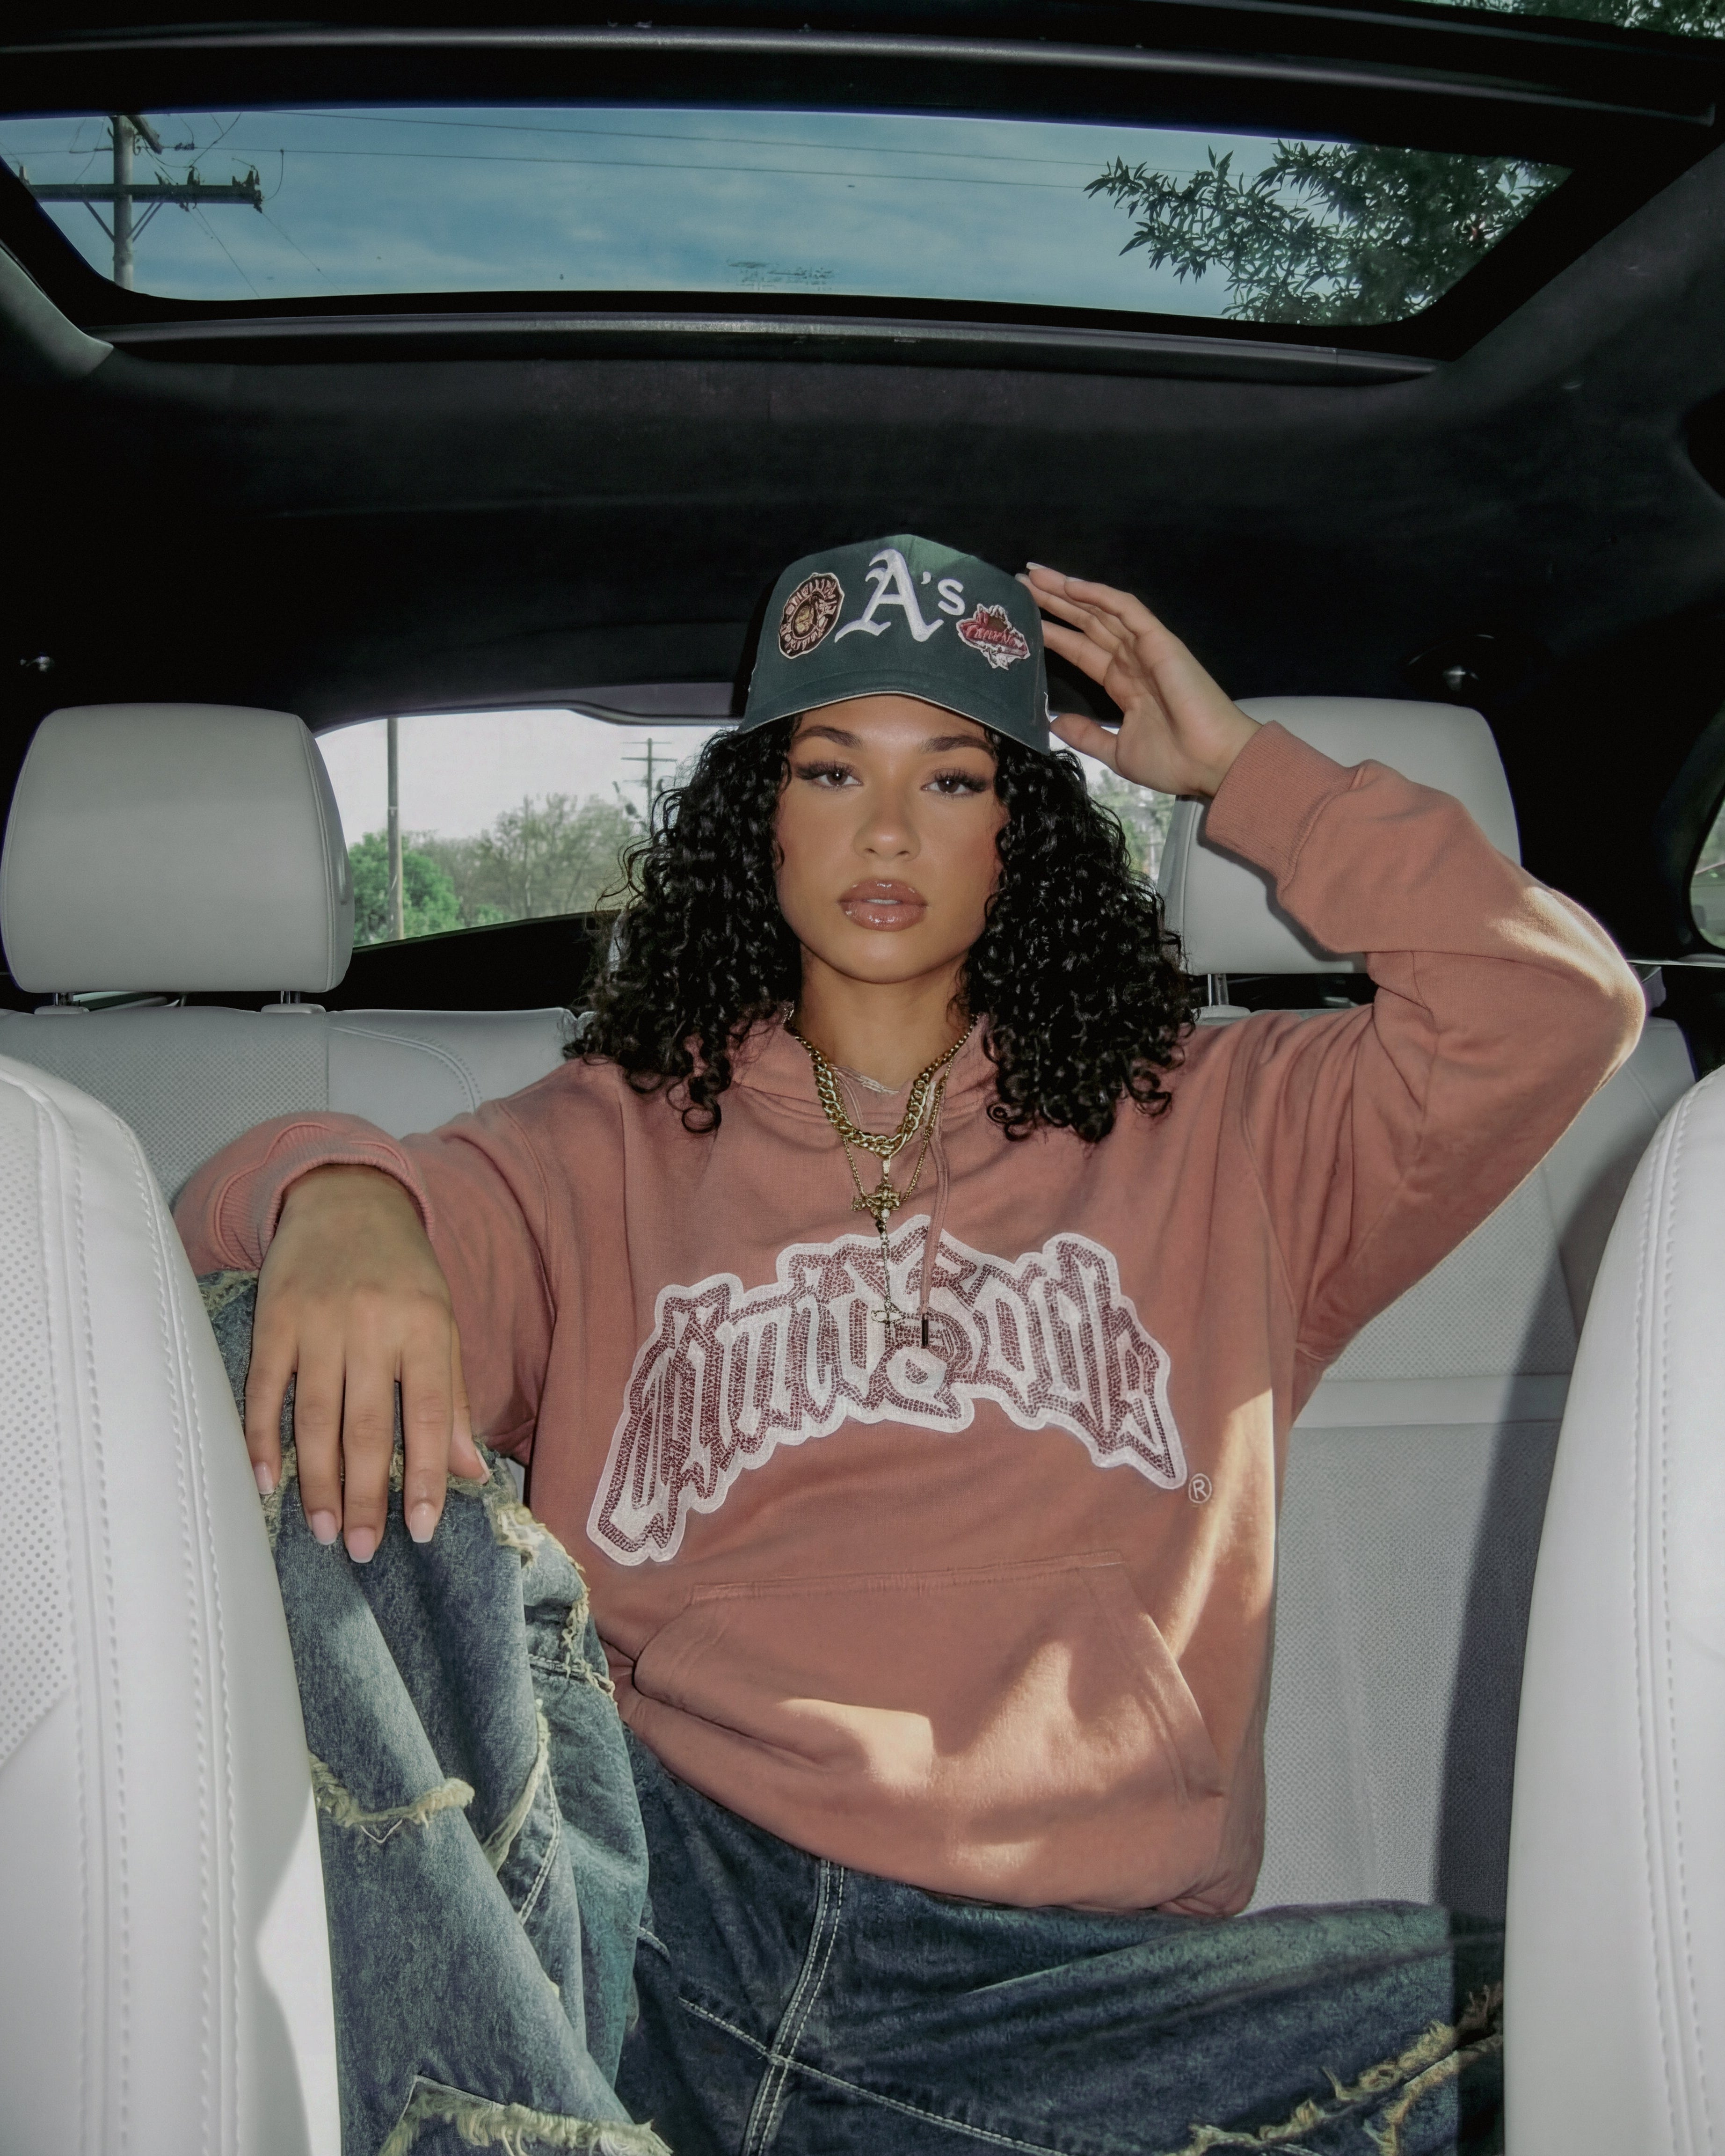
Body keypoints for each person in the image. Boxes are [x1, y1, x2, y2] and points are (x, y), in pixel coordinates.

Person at [177, 535, 1641, 2155]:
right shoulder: (596, 1143)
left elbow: (1553, 1010)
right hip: (662, 1919)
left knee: (1589, 2014)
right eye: (829, 769)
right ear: (762, 814)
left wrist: (1243, 773)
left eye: (953, 780)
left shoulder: (1235, 1130)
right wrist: (336, 1187)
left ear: (1026, 828)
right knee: (285, 1356)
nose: (886, 831)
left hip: (1080, 1991)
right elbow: (274, 1273)